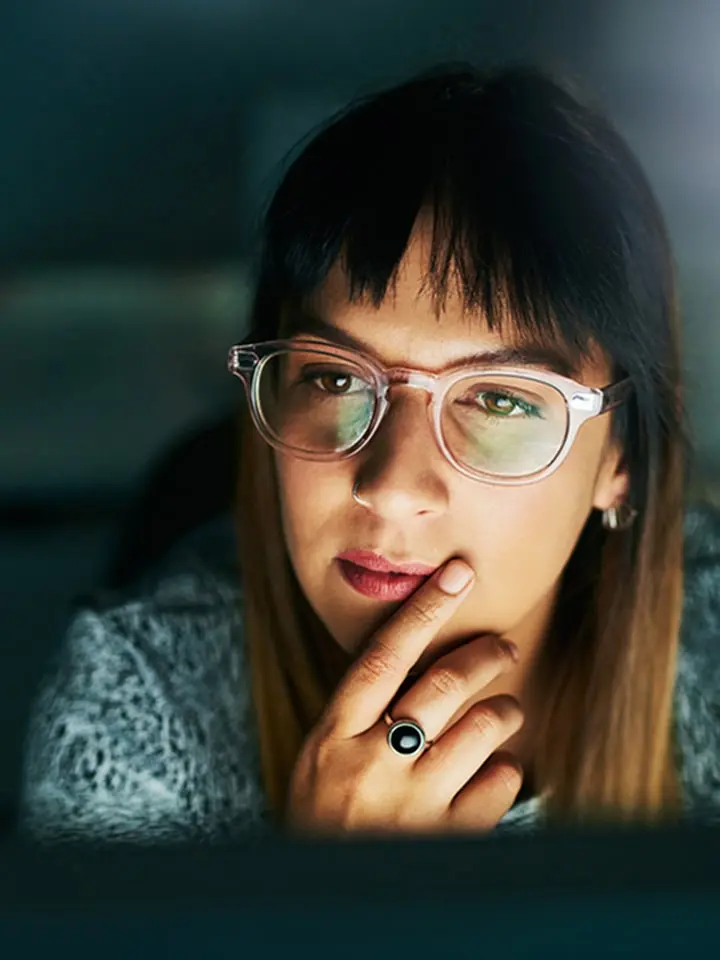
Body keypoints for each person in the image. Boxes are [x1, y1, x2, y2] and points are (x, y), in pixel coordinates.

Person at [20, 63, 720, 843]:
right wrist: (337, 890)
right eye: (333, 378)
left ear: (619, 459)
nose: (390, 488)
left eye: (498, 399)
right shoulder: (134, 708)